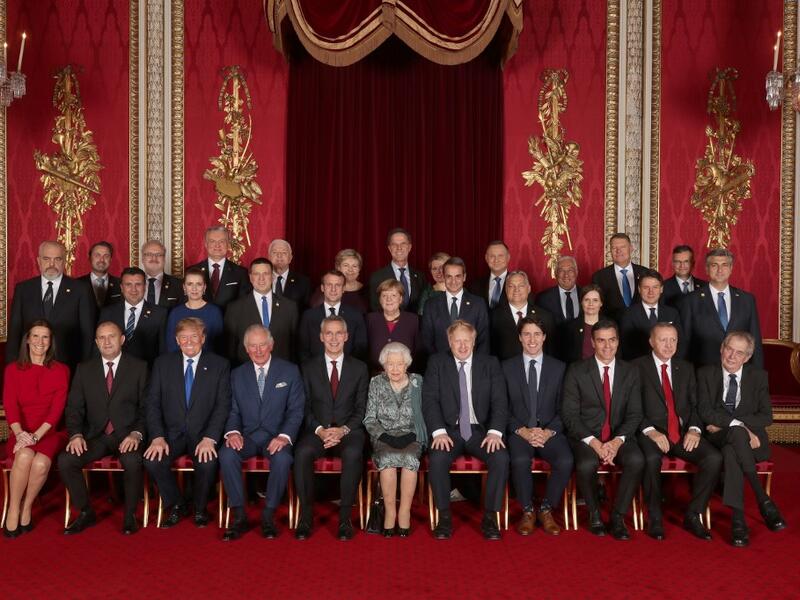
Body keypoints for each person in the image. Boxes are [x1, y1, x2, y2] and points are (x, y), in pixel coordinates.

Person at [633, 322, 721, 541]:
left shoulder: (686, 368)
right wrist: (651, 431)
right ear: (651, 342)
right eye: (663, 339)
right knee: (651, 458)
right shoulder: (635, 368)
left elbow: (694, 406)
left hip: (681, 433)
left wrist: (693, 429)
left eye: (673, 340)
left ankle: (693, 514)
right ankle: (654, 516)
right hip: (651, 432)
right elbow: (631, 408)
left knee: (713, 457)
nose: (669, 345)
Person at [697, 331, 786, 547]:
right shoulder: (705, 373)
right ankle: (762, 499)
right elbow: (704, 411)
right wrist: (740, 426)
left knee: (731, 451)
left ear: (747, 357)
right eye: (729, 349)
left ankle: (738, 519)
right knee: (735, 436)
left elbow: (766, 416)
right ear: (721, 348)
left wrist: (737, 425)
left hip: (751, 442)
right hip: (718, 437)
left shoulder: (758, 376)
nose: (732, 356)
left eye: (739, 353)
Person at [59, 322, 149, 535]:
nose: (107, 341)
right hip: (95, 436)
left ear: (122, 339)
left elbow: (147, 408)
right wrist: (76, 434)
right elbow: (74, 408)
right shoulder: (84, 369)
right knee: (66, 460)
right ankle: (85, 512)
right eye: (102, 338)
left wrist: (137, 433)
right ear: (96, 342)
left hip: (127, 434)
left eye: (112, 336)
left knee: (132, 461)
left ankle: (129, 516)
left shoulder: (139, 367)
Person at [423, 320, 508, 540]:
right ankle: (444, 517)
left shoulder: (489, 363)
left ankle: (490, 517)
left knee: (500, 457)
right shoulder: (437, 362)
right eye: (457, 341)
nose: (462, 346)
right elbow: (430, 400)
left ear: (474, 341)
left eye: (467, 340)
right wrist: (438, 431)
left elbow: (500, 401)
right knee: (438, 458)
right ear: (449, 342)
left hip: (480, 431)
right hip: (449, 430)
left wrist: (495, 432)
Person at [144, 317, 231, 528]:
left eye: (194, 336)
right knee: (152, 461)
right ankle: (177, 504)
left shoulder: (219, 364)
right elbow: (152, 403)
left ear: (203, 338)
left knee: (208, 462)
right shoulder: (162, 364)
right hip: (171, 434)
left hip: (203, 434)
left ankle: (200, 509)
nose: (189, 342)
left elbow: (223, 406)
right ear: (176, 339)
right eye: (184, 337)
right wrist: (157, 437)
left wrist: (210, 438)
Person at [561, 320, 644, 540]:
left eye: (612, 340)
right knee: (587, 463)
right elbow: (570, 415)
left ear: (618, 341)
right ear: (592, 343)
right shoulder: (577, 370)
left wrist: (616, 442)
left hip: (619, 436)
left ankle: (617, 516)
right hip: (587, 437)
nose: (607, 346)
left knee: (636, 460)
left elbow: (635, 413)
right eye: (601, 340)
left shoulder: (631, 371)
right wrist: (596, 443)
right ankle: (595, 514)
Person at [220, 325, 304, 541]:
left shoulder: (290, 371)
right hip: (246, 436)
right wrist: (232, 433)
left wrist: (284, 436)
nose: (258, 351)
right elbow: (232, 410)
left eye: (263, 345)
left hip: (275, 437)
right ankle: (239, 515)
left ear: (271, 345)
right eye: (253, 346)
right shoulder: (237, 374)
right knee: (227, 454)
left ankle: (268, 514)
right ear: (246, 349)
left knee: (283, 459)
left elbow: (296, 410)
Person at [294, 317, 369, 541]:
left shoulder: (359, 368)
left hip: (349, 430)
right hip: (317, 430)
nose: (334, 338)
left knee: (353, 453)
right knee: (302, 453)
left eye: (339, 333)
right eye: (329, 333)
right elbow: (303, 406)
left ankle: (345, 519)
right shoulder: (307, 368)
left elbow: (361, 408)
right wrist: (319, 430)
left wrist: (343, 430)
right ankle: (305, 518)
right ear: (321, 337)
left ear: (346, 336)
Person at [503, 317, 572, 536]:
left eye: (536, 334)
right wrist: (522, 430)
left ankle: (546, 509)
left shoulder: (559, 368)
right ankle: (527, 511)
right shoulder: (506, 367)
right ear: (520, 338)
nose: (532, 339)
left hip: (549, 431)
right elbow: (501, 408)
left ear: (544, 337)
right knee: (520, 460)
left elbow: (566, 408)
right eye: (526, 334)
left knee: (565, 459)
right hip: (519, 431)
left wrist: (548, 431)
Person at [2, 321, 69, 538]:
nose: (40, 342)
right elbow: (10, 405)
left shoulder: (61, 370)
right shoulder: (13, 369)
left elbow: (57, 410)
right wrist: (21, 433)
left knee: (40, 463)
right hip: (20, 431)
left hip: (49, 432)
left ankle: (27, 506)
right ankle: (13, 508)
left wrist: (36, 436)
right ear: (28, 339)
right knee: (24, 457)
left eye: (45, 337)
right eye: (36, 336)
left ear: (51, 342)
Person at [364, 342, 427, 537]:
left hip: (413, 435)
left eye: (399, 364)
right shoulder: (376, 383)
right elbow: (369, 419)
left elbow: (426, 415)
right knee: (388, 460)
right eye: (390, 364)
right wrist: (384, 436)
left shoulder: (418, 382)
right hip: (383, 436)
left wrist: (411, 435)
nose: (395, 369)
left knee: (409, 460)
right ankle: (390, 513)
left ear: (407, 364)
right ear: (384, 365)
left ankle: (404, 512)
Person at [6, 240, 96, 370]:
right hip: (29, 366)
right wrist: (11, 368)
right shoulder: (23, 289)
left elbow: (87, 334)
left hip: (69, 367)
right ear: (38, 261)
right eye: (46, 259)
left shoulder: (81, 289)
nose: (52, 264)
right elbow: (15, 332)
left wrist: (86, 370)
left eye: (57, 259)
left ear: (64, 261)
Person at [680, 248, 763, 368]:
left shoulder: (747, 300)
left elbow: (755, 342)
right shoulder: (690, 301)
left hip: (739, 373)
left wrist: (757, 375)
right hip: (702, 373)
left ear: (731, 269)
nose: (720, 270)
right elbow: (684, 343)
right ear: (707, 269)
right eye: (714, 265)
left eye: (724, 265)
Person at [224, 258, 298, 364]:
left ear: (272, 276)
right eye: (256, 274)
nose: (261, 279)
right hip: (246, 372)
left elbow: (294, 347)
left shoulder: (289, 307)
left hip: (281, 372)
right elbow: (230, 349)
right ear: (250, 277)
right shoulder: (234, 308)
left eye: (266, 274)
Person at [99, 267, 168, 367]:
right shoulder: (108, 312)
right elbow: (99, 347)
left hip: (148, 374)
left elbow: (163, 351)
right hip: (114, 373)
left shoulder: (160, 313)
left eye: (138, 284)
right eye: (128, 285)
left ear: (145, 286)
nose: (133, 289)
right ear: (122, 288)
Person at [421, 257, 489, 356]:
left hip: (471, 365)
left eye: (457, 276)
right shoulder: (431, 305)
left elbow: (484, 340)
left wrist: (476, 365)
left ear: (464, 277)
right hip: (440, 365)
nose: (453, 281)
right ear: (444, 277)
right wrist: (439, 363)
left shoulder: (478, 304)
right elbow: (427, 340)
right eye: (449, 276)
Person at [298, 270, 367, 362]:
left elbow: (360, 348)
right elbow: (302, 349)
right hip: (315, 372)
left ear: (343, 289)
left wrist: (348, 369)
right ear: (322, 288)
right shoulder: (308, 316)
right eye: (329, 285)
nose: (333, 289)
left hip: (348, 372)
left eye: (337, 285)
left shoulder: (355, 315)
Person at [490, 270, 555, 359]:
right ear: (506, 290)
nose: (516, 289)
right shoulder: (493, 316)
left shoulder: (545, 317)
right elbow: (490, 352)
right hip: (503, 370)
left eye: (521, 286)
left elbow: (551, 352)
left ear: (529, 289)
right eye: (511, 286)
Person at [619, 270, 683, 360]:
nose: (651, 292)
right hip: (639, 365)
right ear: (639, 289)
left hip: (668, 364)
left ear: (661, 289)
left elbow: (680, 342)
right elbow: (626, 347)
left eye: (655, 287)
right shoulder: (628, 314)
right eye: (646, 287)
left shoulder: (672, 313)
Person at [187, 226, 251, 310]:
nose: (217, 245)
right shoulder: (191, 271)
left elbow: (244, 304)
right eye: (212, 241)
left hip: (229, 321)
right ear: (206, 244)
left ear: (228, 244)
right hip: (200, 321)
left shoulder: (241, 273)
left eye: (222, 241)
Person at [165, 267, 224, 354]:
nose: (194, 288)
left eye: (199, 284)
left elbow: (219, 346)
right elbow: (170, 345)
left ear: (204, 287)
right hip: (180, 362)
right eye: (190, 284)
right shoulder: (175, 313)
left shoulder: (215, 312)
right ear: (184, 287)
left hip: (209, 362)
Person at [369, 228, 428, 314]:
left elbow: (423, 306)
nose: (399, 248)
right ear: (389, 248)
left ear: (409, 247)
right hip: (388, 326)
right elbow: (375, 308)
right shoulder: (377, 277)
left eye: (403, 244)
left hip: (416, 325)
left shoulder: (420, 276)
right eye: (394, 244)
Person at [366, 279, 420, 373]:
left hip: (406, 376)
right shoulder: (369, 319)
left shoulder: (413, 320)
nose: (388, 299)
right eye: (384, 295)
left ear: (400, 299)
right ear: (379, 299)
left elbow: (418, 352)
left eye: (393, 295)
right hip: (374, 375)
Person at [590, 233, 648, 321]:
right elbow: (596, 309)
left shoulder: (645, 273)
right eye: (614, 248)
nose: (618, 251)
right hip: (612, 330)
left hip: (642, 329)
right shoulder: (599, 277)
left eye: (623, 247)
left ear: (631, 248)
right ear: (610, 250)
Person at [310, 249, 369, 313]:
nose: (350, 269)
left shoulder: (367, 290)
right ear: (338, 268)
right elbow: (316, 312)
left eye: (354, 266)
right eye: (346, 265)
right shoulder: (326, 289)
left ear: (359, 269)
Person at [557, 284, 604, 364]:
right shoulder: (569, 328)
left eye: (595, 300)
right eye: (587, 300)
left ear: (601, 303)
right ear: (581, 302)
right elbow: (564, 357)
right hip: (579, 374)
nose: (591, 304)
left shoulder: (611, 325)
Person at [268, 238, 312, 310]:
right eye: (275, 252)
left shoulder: (303, 282)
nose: (279, 255)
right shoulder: (261, 279)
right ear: (269, 257)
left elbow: (306, 310)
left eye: (284, 252)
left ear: (290, 258)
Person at [536, 255, 580, 323]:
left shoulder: (587, 294)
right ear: (556, 273)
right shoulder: (543, 298)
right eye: (561, 270)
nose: (566, 275)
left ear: (576, 272)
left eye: (570, 270)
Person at [141, 239, 183, 309]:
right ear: (142, 259)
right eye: (149, 254)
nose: (154, 258)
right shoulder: (132, 285)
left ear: (164, 259)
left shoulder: (179, 285)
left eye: (159, 255)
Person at [469, 241, 511, 310]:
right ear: (486, 258)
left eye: (500, 256)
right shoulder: (475, 285)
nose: (496, 260)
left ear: (508, 257)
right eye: (492, 256)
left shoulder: (518, 284)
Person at [77, 241, 121, 307]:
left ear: (111, 259)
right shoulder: (77, 284)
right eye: (97, 255)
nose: (102, 260)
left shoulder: (120, 284)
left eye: (106, 256)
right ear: (90, 258)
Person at [417, 251, 450, 316]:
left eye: (442, 267)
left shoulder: (460, 290)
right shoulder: (426, 293)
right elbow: (422, 317)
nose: (439, 272)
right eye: (434, 269)